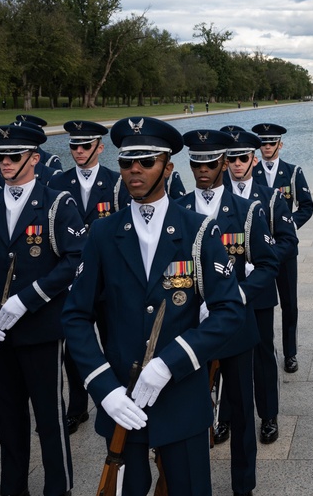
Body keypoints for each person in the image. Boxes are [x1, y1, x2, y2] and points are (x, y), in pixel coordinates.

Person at [61, 117, 245, 496]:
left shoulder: (198, 230)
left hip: (180, 394)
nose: (135, 171)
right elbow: (76, 315)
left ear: (168, 167)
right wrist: (103, 387)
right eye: (127, 162)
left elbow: (229, 311)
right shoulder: (102, 233)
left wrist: (169, 363)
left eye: (146, 161)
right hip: (122, 397)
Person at [0, 123, 85, 496]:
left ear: (34, 158)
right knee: (8, 416)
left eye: (13, 156)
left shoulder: (56, 202)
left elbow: (74, 260)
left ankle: (58, 486)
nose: (4, 162)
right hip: (0, 332)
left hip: (41, 328)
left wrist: (27, 298)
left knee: (49, 416)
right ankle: (12, 487)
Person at [178, 129, 278, 496]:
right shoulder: (179, 208)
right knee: (191, 408)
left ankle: (244, 484)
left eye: (209, 163)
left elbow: (268, 266)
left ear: (223, 163)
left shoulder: (245, 210)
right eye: (195, 163)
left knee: (240, 406)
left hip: (234, 323)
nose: (202, 170)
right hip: (190, 326)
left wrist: (235, 293)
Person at [46, 120, 130, 435]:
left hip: (108, 280)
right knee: (73, 347)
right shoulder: (57, 183)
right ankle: (77, 406)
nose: (78, 152)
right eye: (74, 146)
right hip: (71, 281)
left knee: (113, 342)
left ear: (100, 147)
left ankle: (116, 396)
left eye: (85, 146)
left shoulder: (116, 182)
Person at [220, 127, 298, 446]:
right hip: (222, 288)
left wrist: (263, 258)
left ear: (253, 160)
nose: (237, 164)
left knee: (263, 353)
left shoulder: (269, 197)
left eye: (242, 158)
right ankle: (224, 416)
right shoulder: (213, 197)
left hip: (259, 288)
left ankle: (268, 415)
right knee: (224, 354)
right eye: (231, 158)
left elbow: (288, 240)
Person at [251, 122, 313, 373]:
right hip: (256, 249)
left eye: (271, 142)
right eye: (262, 143)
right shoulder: (248, 172)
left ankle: (290, 353)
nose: (266, 147)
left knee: (289, 302)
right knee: (258, 303)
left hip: (285, 248)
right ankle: (261, 350)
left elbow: (306, 206)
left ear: (280, 144)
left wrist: (289, 226)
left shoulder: (292, 172)